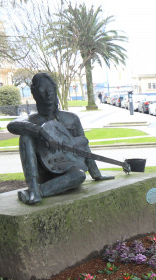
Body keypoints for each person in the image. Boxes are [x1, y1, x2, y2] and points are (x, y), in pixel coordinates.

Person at [8, 73, 113, 204]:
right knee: (25, 135)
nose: (48, 95)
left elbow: (84, 146)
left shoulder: (71, 119)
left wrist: (96, 174)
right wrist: (41, 132)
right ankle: (34, 187)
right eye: (43, 91)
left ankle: (38, 192)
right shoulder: (32, 120)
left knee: (80, 175)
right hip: (43, 175)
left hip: (66, 172)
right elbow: (12, 125)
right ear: (34, 94)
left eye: (51, 91)